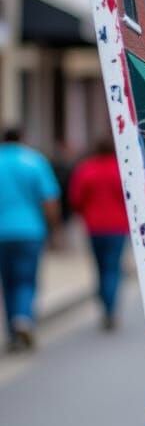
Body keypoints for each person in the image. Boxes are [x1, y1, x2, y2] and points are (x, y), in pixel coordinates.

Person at [0, 128, 60, 350]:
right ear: (22, 138)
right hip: (30, 231)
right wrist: (55, 229)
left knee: (7, 282)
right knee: (25, 280)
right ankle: (24, 317)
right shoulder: (34, 161)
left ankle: (13, 332)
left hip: (2, 233)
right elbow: (50, 200)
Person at [68, 135, 129, 330]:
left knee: (100, 266)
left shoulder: (86, 169)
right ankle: (109, 308)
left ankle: (105, 302)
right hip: (118, 227)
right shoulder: (121, 169)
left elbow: (75, 199)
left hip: (94, 227)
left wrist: (84, 213)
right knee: (112, 267)